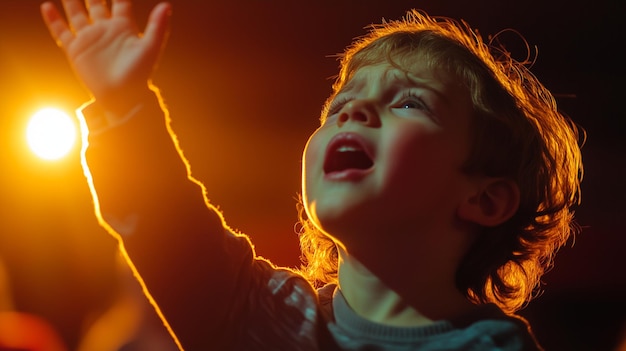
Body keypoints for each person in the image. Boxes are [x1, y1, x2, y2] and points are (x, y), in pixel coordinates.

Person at [40, 0, 583, 350]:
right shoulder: (264, 317)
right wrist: (124, 106)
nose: (354, 112)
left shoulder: (493, 347)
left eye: (411, 103)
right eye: (339, 107)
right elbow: (171, 231)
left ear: (485, 200)